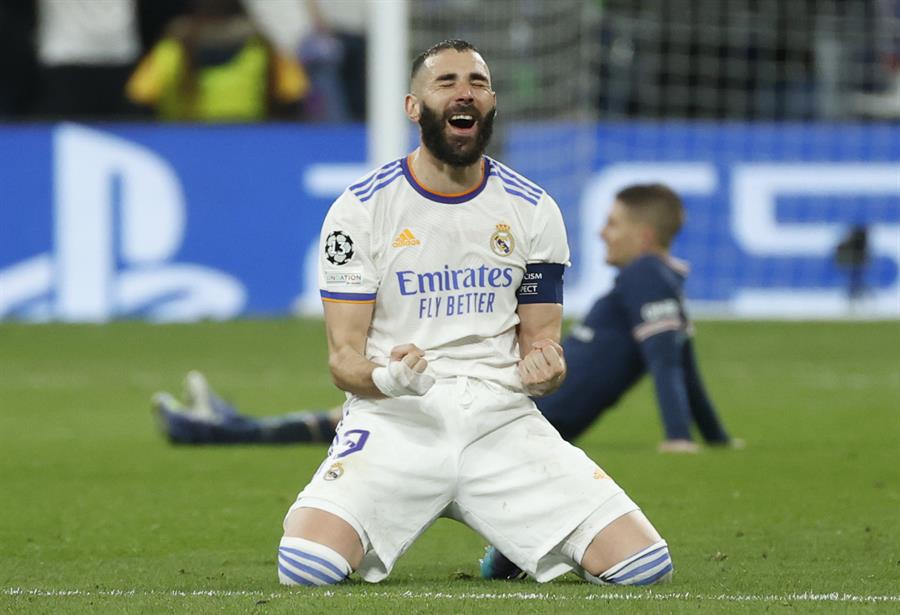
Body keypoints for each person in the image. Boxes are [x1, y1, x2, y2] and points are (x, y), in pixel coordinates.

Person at [262, 39, 671, 588]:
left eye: (477, 83)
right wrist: (388, 376)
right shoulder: (361, 209)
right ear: (414, 107)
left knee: (644, 568)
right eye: (447, 82)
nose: (465, 93)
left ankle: (511, 548)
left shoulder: (532, 208)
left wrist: (548, 370)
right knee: (307, 568)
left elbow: (542, 344)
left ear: (492, 102)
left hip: (500, 421)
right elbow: (343, 361)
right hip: (395, 421)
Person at [156, 183, 737, 454]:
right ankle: (226, 425)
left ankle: (215, 431)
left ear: (642, 234)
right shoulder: (663, 284)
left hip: (527, 404)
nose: (601, 233)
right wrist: (717, 438)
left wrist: (681, 440)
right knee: (356, 409)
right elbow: (684, 366)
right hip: (530, 396)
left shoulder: (642, 277)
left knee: (363, 408)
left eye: (612, 224)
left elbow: (668, 363)